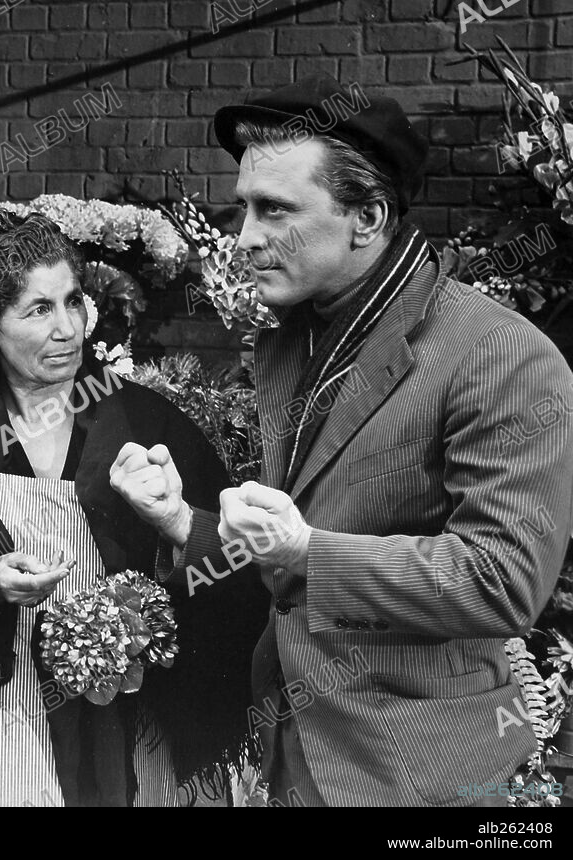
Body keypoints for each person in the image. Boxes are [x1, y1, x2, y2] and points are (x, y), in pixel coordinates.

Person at [110, 74, 573, 807]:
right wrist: (181, 524)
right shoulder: (290, 344)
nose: (245, 237)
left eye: (275, 209)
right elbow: (293, 558)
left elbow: (502, 580)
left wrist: (302, 549)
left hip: (421, 777)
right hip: (292, 757)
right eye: (244, 208)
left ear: (368, 217)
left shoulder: (500, 354)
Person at [0, 210, 269, 806]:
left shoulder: (144, 423)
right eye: (39, 309)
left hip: (129, 728)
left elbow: (242, 572)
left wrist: (171, 529)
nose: (68, 329)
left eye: (73, 301)